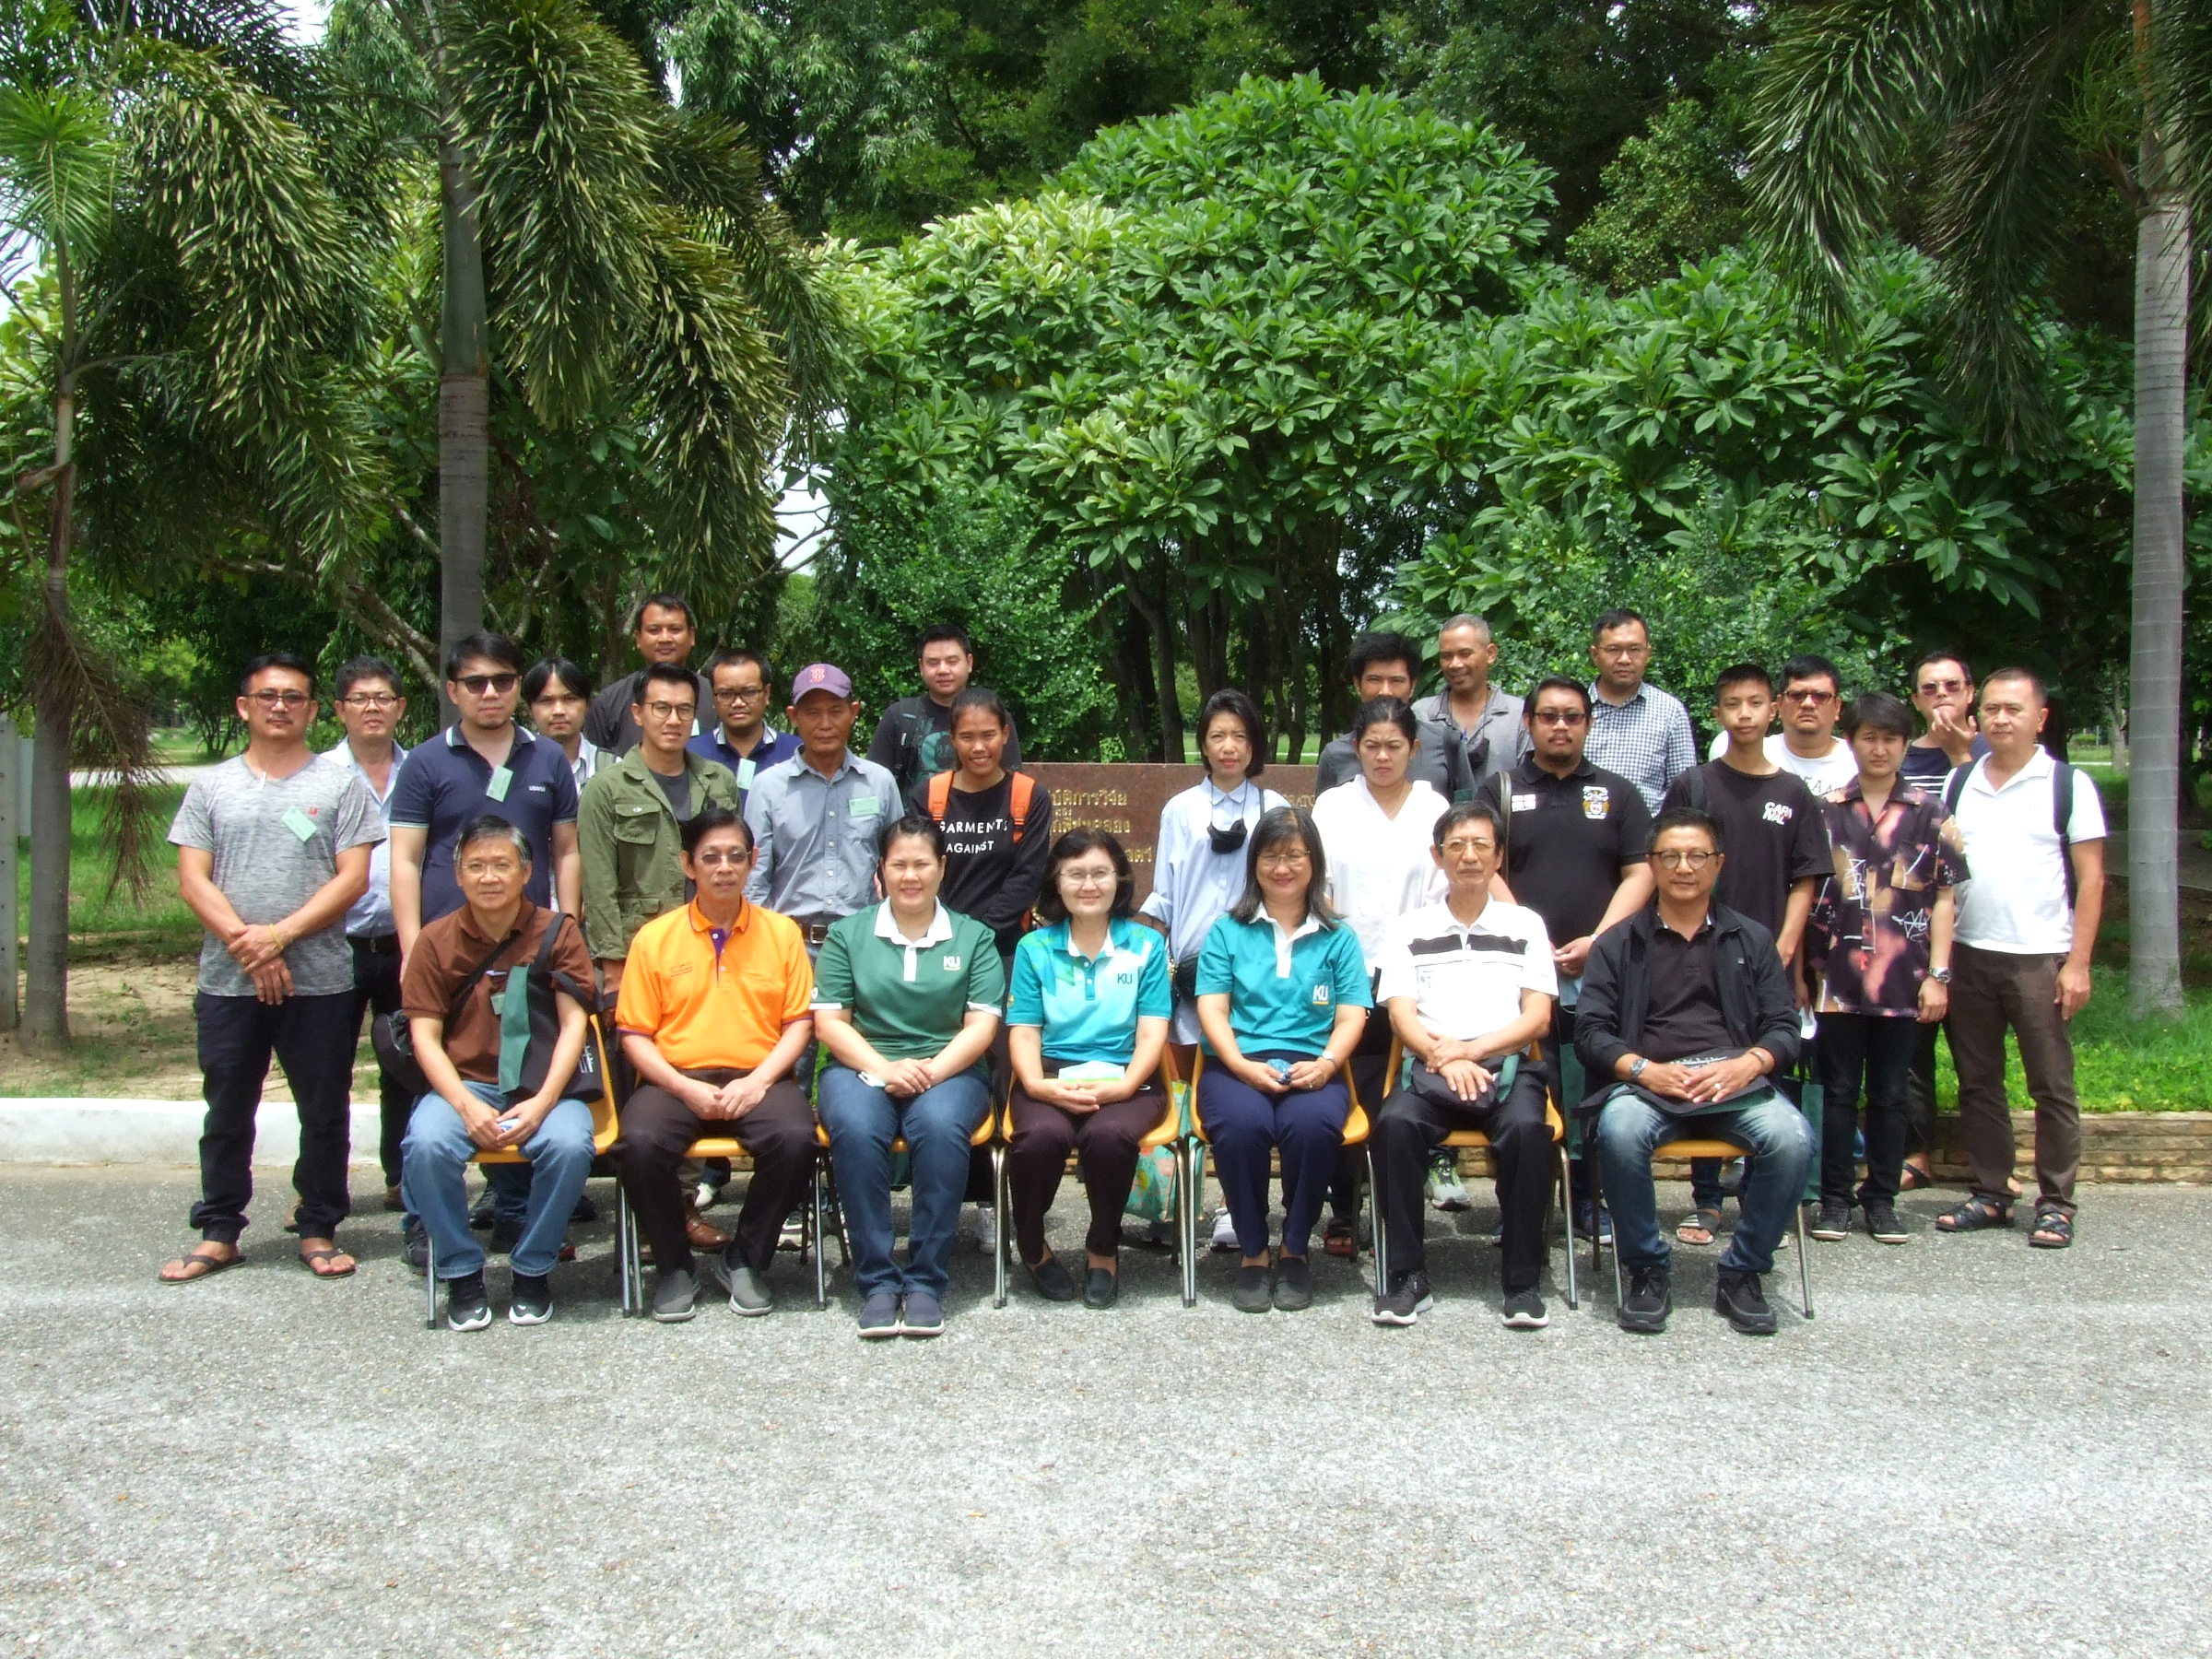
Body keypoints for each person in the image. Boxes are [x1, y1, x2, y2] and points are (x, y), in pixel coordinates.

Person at [159, 653, 382, 1284]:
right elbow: (192, 878)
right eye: (267, 696)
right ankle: (219, 1230)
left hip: (319, 981)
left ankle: (319, 1225)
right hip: (229, 980)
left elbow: (353, 878)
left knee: (325, 1109)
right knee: (228, 1108)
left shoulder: (339, 786)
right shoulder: (211, 787)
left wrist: (279, 936)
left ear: (312, 710)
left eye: (294, 697)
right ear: (243, 707)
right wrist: (248, 945)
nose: (280, 707)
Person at [1578, 808, 1812, 1335]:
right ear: (1652, 864)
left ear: (1718, 863)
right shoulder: (1617, 943)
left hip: (1734, 1083)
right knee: (1619, 1132)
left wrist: (1749, 1063)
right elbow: (1591, 1031)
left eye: (1696, 856)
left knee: (1792, 1138)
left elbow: (1783, 1027)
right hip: (1648, 1085)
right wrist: (1643, 1070)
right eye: (1670, 856)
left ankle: (1744, 1271)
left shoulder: (1751, 939)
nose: (1684, 867)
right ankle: (1646, 1269)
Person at [612, 807, 819, 1322]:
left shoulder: (782, 934)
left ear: (752, 861)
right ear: (688, 864)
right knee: (638, 1143)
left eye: (735, 856)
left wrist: (759, 1081)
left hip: (760, 1077)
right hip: (675, 1078)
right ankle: (674, 1265)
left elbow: (799, 1024)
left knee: (797, 1139)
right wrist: (683, 1087)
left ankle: (746, 1258)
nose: (724, 867)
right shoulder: (655, 938)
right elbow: (634, 1035)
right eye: (710, 857)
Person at [1472, 677, 1655, 1242]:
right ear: (1528, 723)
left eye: (1572, 716)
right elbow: (1483, 868)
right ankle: (1519, 1205)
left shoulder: (1618, 794)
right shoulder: (1499, 790)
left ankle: (1590, 1201)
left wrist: (1599, 939)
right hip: (1519, 971)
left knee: (1595, 1087)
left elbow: (1641, 871)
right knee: (1525, 1088)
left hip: (1600, 971)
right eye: (1548, 716)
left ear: (1588, 724)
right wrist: (1531, 942)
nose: (1560, 726)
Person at [398, 817, 599, 1329]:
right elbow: (424, 1038)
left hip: (543, 1086)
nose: (489, 877)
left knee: (570, 1145)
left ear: (526, 871)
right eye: (477, 866)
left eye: (502, 865)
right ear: (458, 874)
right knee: (425, 1145)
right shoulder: (435, 940)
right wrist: (466, 1106)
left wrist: (544, 1101)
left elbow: (575, 1026)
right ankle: (462, 1272)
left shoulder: (558, 932)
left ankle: (533, 1267)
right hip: (466, 1085)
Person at [812, 818, 1006, 1337]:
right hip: (862, 1066)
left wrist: (930, 1072)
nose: (910, 875)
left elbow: (981, 1026)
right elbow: (831, 1023)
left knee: (940, 1128)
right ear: (881, 869)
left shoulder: (974, 938)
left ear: (943, 867)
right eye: (898, 864)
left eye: (922, 864)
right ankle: (877, 1280)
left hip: (950, 1069)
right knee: (856, 1128)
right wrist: (882, 1068)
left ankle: (925, 1280)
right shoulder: (848, 936)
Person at [1933, 668, 2105, 1251]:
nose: (2001, 719)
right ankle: (1992, 1191)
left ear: (2040, 718)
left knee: (2050, 1084)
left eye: (2014, 709)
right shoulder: (1960, 781)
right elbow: (1944, 873)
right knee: (1978, 1082)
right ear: (1977, 716)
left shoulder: (2067, 785)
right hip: (1970, 952)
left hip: (2039, 958)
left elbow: (2092, 879)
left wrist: (2078, 964)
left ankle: (2056, 1202)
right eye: (1992, 709)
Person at [1370, 802, 1559, 1328]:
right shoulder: (1409, 927)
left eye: (1480, 845)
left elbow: (1538, 1018)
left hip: (1506, 1067)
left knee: (1528, 1131)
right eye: (1456, 846)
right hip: (1431, 1067)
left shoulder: (1526, 924)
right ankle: (1407, 1277)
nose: (1468, 856)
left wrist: (1472, 1052)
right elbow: (1400, 1013)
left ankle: (1521, 1282)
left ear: (1498, 856)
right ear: (1438, 856)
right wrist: (1441, 1056)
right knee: (1395, 1125)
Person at [1662, 664, 1831, 1245]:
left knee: (1765, 1069)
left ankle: (1763, 1201)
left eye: (1755, 703)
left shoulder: (1793, 793)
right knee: (1703, 1060)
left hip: (1765, 958)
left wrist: (1786, 948)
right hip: (1697, 951)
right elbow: (1668, 863)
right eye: (1732, 704)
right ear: (1718, 714)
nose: (1744, 714)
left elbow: (1806, 879)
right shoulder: (1695, 785)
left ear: (1773, 709)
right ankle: (1706, 1200)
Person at [1194, 806, 1371, 1314]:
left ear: (1314, 862)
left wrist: (1329, 1064)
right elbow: (1213, 1008)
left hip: (1314, 1064)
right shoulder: (1227, 931)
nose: (1282, 867)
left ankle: (1295, 1246)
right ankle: (1253, 1248)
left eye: (1295, 855)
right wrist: (1240, 1065)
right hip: (1238, 1063)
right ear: (1254, 864)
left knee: (1312, 1126)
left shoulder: (1338, 937)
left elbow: (1351, 1014)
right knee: (1242, 1126)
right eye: (1270, 856)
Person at [1806, 692, 1966, 1243]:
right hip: (1836, 978)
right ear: (1851, 742)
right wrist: (1804, 972)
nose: (1879, 749)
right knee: (1837, 1092)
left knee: (1892, 1094)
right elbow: (1806, 893)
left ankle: (1881, 1199)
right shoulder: (1824, 811)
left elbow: (1944, 898)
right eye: (1869, 737)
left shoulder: (1931, 812)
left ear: (1904, 744)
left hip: (1905, 979)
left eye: (1890, 739)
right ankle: (1833, 1200)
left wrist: (1939, 976)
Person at [1003, 830, 1172, 1308]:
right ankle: (1032, 1244)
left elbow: (1152, 1031)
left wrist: (1128, 1084)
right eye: (1075, 874)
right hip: (1051, 1073)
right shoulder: (1035, 948)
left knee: (1109, 1136)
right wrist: (1037, 1085)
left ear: (1120, 878)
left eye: (1100, 873)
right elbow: (1025, 1031)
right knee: (1040, 1139)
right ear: (1056, 883)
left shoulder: (1146, 946)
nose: (1089, 885)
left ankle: (1102, 1246)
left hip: (1128, 1074)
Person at [1310, 696, 1449, 1253]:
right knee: (1349, 1090)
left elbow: (1441, 895)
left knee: (1401, 1100)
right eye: (1372, 746)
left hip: (1416, 976)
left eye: (1395, 746)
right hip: (1347, 970)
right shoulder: (1333, 807)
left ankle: (1396, 1217)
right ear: (1355, 747)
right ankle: (1344, 1209)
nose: (1383, 757)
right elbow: (1316, 887)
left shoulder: (1433, 808)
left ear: (1414, 748)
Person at [390, 634, 582, 948]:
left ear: (518, 685)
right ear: (453, 691)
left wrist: (566, 935)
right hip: (446, 945)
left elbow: (567, 852)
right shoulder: (424, 762)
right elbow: (405, 860)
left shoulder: (549, 757)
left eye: (502, 681)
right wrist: (412, 949)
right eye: (476, 683)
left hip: (532, 943)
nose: (490, 693)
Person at [577, 663, 740, 1001]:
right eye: (661, 708)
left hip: (713, 945)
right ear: (638, 713)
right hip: (638, 948)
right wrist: (612, 964)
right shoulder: (606, 789)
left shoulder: (718, 781)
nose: (673, 720)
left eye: (684, 710)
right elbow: (598, 885)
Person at [1140, 688, 1287, 1048]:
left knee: (1252, 1049)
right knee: (1191, 1058)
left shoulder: (1274, 809)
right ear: (1204, 745)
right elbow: (1164, 894)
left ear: (1254, 745)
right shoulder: (1180, 810)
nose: (1228, 747)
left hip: (1258, 957)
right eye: (1218, 736)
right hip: (1192, 957)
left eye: (1239, 736)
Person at [1897, 649, 1991, 1187]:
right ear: (1916, 699)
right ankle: (1916, 1154)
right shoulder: (1903, 757)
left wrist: (1963, 754)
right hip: (1915, 925)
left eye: (1951, 686)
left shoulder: (1995, 752)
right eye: (1929, 689)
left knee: (1977, 1054)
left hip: (1979, 926)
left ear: (1970, 693)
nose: (1941, 697)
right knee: (1914, 1052)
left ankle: (1990, 1164)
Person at [324, 656, 411, 1217]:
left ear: (400, 707)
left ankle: (403, 1178)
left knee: (405, 1065)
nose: (372, 708)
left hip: (406, 944)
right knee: (325, 1070)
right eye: (360, 699)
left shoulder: (422, 769)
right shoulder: (319, 775)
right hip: (335, 944)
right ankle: (319, 1188)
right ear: (340, 710)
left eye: (382, 698)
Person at [745, 664, 904, 947]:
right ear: (793, 717)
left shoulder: (879, 782)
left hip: (863, 943)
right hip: (789, 944)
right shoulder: (768, 787)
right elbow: (754, 879)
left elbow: (900, 865)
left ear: (853, 712)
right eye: (812, 713)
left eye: (835, 711)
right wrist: (766, 942)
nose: (825, 724)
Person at [912, 686, 1054, 968]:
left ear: (1005, 734)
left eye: (988, 735)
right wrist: (951, 934)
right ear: (953, 738)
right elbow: (920, 870)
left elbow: (1027, 877)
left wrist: (979, 937)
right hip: (936, 943)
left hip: (1004, 950)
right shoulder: (928, 796)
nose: (978, 748)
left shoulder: (1030, 797)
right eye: (967, 737)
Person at [866, 624, 1023, 796]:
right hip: (914, 813)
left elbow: (1011, 782)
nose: (943, 670)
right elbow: (874, 784)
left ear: (969, 663)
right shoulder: (900, 716)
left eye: (952, 661)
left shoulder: (994, 716)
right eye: (933, 663)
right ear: (921, 667)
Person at [1313, 631, 1462, 796]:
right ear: (1357, 684)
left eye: (1396, 680)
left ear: (1412, 686)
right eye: (1374, 679)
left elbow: (1467, 807)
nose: (1385, 691)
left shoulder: (1446, 743)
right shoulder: (1335, 755)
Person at [1584, 608, 1697, 814]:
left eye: (1635, 649)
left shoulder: (1670, 712)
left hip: (1648, 831)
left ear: (1648, 653)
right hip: (1583, 828)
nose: (1624, 659)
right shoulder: (1574, 712)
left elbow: (1684, 793)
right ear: (1595, 654)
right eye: (1613, 649)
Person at [1701, 653, 1860, 794]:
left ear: (1837, 707)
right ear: (1779, 705)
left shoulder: (1858, 760)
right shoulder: (1746, 753)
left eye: (1820, 696)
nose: (1808, 704)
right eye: (1796, 695)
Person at [582, 593, 713, 756]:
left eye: (675, 629)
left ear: (691, 636)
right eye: (654, 630)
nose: (665, 638)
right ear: (638, 638)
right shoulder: (609, 702)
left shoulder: (714, 697)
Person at [1412, 613, 1525, 801]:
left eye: (1465, 654)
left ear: (1490, 654)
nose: (1455, 664)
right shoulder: (1421, 714)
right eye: (1447, 656)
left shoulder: (1518, 715)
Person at [687, 647, 800, 812]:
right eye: (726, 694)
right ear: (713, 697)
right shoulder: (691, 754)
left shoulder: (796, 752)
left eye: (749, 692)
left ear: (766, 693)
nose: (738, 703)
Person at [524, 658, 605, 794]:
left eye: (570, 699)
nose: (559, 711)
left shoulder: (612, 767)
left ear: (587, 705)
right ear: (530, 710)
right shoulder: (512, 766)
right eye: (546, 701)